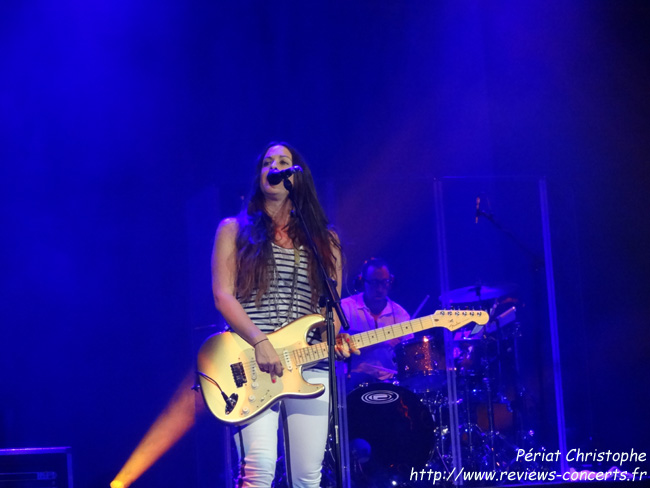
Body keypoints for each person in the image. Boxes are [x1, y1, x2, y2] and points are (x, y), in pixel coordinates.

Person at [211, 141, 354, 488]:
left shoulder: (325, 240)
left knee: (308, 477)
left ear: (296, 176)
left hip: (309, 364)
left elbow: (326, 305)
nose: (273, 166)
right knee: (258, 470)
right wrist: (259, 341)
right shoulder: (233, 229)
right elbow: (222, 295)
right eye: (267, 162)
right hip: (253, 359)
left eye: (283, 161)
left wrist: (334, 336)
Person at [341, 258, 411, 388]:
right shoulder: (345, 308)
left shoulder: (401, 314)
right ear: (362, 282)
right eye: (374, 283)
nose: (380, 289)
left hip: (391, 382)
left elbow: (409, 356)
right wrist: (382, 340)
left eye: (385, 283)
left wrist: (401, 348)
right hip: (353, 382)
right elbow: (340, 345)